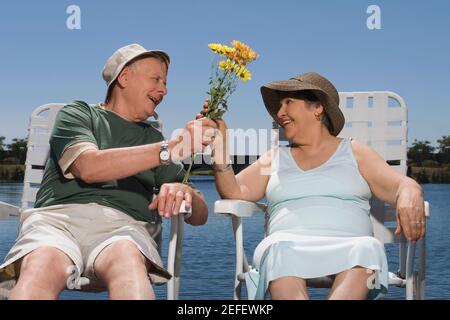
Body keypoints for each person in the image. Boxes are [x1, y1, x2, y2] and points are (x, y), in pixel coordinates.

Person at [0, 43, 217, 300]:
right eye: (156, 79)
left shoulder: (152, 137)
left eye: (166, 83)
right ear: (124, 77)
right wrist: (169, 150)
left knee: (127, 262)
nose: (164, 90)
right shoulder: (79, 114)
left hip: (122, 228)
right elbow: (87, 167)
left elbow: (199, 217)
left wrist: (186, 193)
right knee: (41, 265)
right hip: (58, 223)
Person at [209, 71, 425, 300]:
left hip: (352, 247)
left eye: (288, 103)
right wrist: (219, 147)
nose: (279, 114)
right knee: (279, 251)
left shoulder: (354, 152)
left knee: (368, 248)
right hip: (285, 247)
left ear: (318, 108)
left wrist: (411, 192)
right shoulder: (274, 158)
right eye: (279, 107)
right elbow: (233, 191)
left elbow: (399, 185)